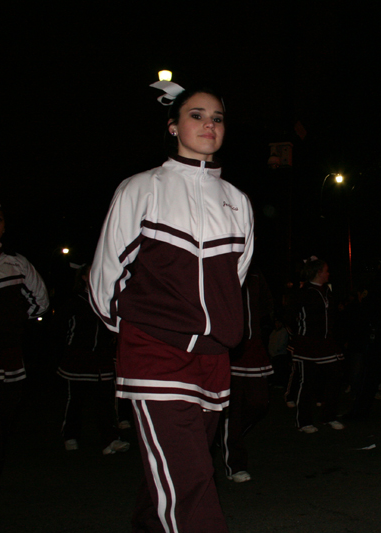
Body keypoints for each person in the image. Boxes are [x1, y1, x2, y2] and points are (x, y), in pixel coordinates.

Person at [90, 82, 254, 533]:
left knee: (172, 473)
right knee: (190, 481)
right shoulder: (143, 187)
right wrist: (136, 332)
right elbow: (107, 273)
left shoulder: (237, 201)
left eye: (217, 118)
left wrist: (218, 327)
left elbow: (232, 280)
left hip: (212, 356)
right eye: (197, 115)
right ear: (173, 126)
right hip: (154, 350)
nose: (209, 124)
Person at [0, 199, 50, 514]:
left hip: (9, 359)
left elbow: (41, 300)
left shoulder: (17, 263)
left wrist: (15, 325)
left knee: (2, 426)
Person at [57, 263, 129, 455]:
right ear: (83, 277)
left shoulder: (108, 299)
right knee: (75, 400)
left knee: (105, 401)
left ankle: (110, 440)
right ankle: (70, 435)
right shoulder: (74, 302)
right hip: (78, 358)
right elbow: (59, 331)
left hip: (102, 359)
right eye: (91, 272)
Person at [220, 265, 273, 483]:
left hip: (254, 346)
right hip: (229, 347)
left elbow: (266, 304)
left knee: (260, 403)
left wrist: (262, 329)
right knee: (233, 410)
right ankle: (235, 463)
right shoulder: (221, 266)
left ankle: (227, 437)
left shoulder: (255, 272)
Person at [286, 258, 345, 433]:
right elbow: (289, 317)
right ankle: (304, 422)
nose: (328, 273)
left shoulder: (327, 291)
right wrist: (298, 336)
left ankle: (329, 416)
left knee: (335, 378)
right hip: (308, 345)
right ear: (318, 272)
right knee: (307, 382)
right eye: (326, 270)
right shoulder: (303, 293)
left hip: (327, 344)